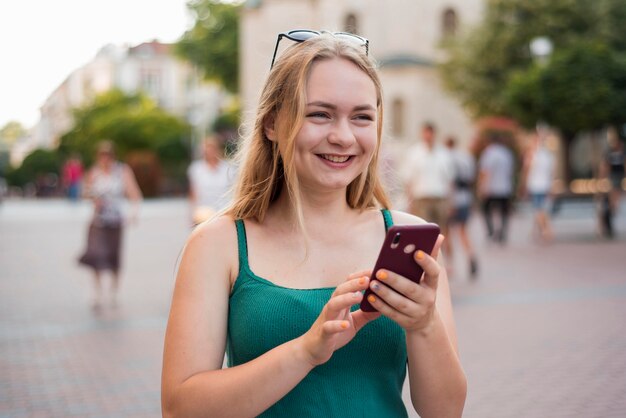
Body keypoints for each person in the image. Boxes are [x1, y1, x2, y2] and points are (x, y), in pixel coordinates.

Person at [162, 31, 466, 418]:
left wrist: (424, 325)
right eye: (319, 114)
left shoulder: (405, 237)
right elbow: (180, 409)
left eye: (362, 117)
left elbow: (446, 410)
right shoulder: (218, 243)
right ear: (272, 123)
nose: (342, 137)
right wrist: (305, 352)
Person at [78, 140, 142, 309]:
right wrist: (93, 198)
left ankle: (114, 291)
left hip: (115, 220)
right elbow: (85, 192)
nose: (105, 159)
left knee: (114, 257)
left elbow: (134, 193)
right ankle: (97, 293)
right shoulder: (94, 172)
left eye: (108, 156)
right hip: (98, 221)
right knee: (96, 256)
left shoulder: (122, 171)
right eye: (102, 156)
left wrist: (134, 213)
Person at [402, 122, 454, 231]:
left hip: (440, 198)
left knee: (442, 231)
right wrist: (409, 202)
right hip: (421, 198)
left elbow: (450, 180)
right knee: (424, 231)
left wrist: (451, 202)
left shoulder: (443, 153)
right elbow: (409, 180)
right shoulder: (414, 153)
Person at [444, 136, 478, 278]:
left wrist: (450, 202)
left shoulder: (446, 158)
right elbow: (471, 179)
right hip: (465, 198)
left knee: (447, 233)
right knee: (463, 232)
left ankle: (450, 264)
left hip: (452, 199)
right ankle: (471, 255)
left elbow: (449, 182)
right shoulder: (466, 157)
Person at [187, 136, 236, 225]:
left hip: (225, 212)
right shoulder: (196, 169)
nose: (209, 153)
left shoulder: (228, 168)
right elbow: (193, 192)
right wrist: (193, 212)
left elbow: (234, 190)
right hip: (204, 213)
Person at [477, 132, 515, 244]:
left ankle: (491, 230)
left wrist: (482, 187)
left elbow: (485, 171)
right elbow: (511, 171)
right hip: (505, 187)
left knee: (486, 210)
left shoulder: (488, 153)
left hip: (492, 188)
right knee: (504, 212)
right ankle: (503, 232)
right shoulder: (507, 153)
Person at [520, 129, 556, 243]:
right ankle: (536, 231)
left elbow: (526, 171)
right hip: (545, 185)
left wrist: (523, 185)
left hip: (535, 185)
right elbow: (552, 172)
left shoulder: (532, 155)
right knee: (540, 208)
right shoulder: (549, 155)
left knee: (538, 209)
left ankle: (547, 230)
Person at [598, 128, 625, 238]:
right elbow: (605, 166)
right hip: (612, 177)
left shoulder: (623, 153)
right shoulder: (609, 153)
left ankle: (613, 207)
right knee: (612, 194)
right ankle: (612, 207)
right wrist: (602, 178)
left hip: (619, 177)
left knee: (615, 195)